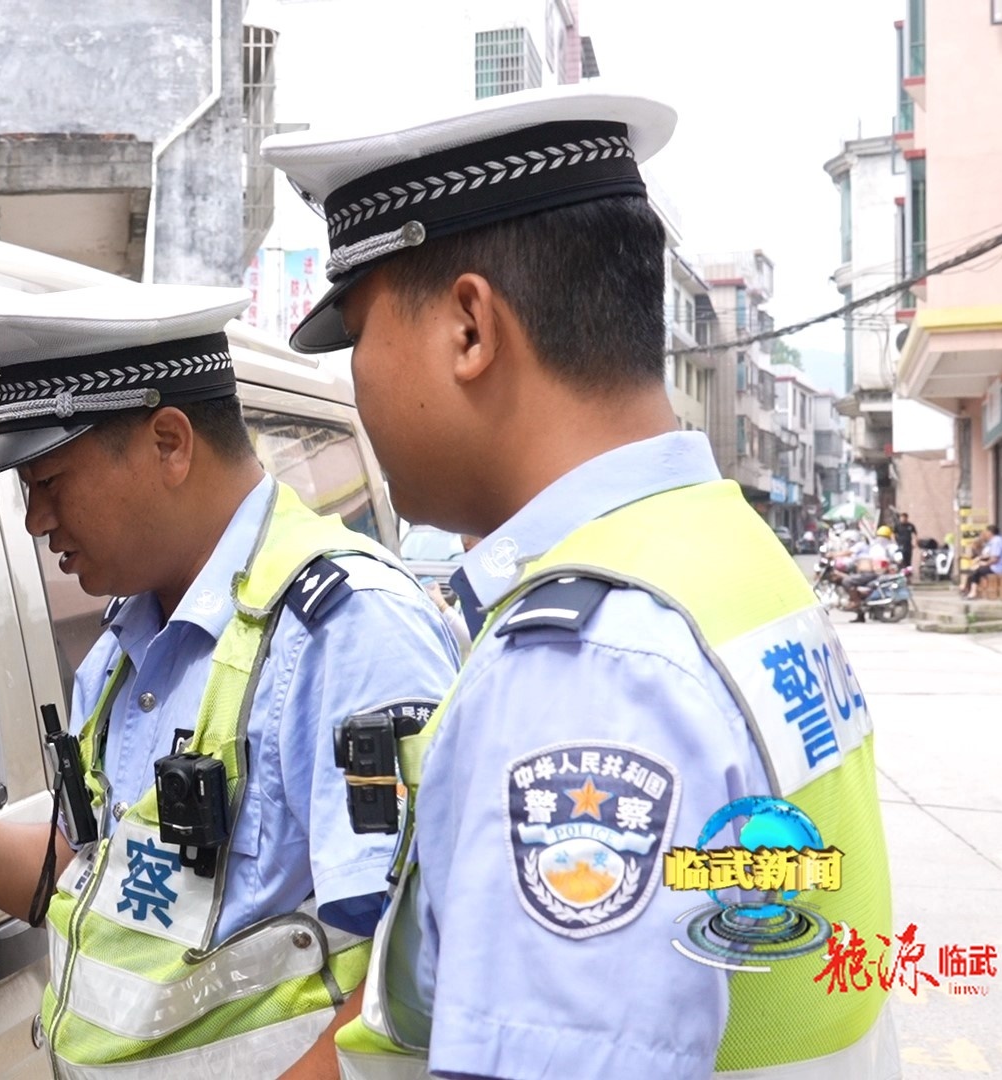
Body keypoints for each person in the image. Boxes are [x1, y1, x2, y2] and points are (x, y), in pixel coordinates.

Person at [264, 85, 894, 1078]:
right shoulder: (723, 552)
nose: (359, 382)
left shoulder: (585, 669)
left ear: (469, 329)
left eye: (361, 335)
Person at [0, 284, 461, 1078]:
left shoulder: (345, 630)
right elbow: (92, 877)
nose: (37, 521)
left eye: (50, 482)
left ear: (169, 443)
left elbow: (419, 967)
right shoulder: (124, 648)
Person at [963, 524, 1002, 599]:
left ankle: (973, 593)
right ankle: (968, 591)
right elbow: (991, 555)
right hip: (998, 566)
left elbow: (995, 559)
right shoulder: (996, 541)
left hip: (999, 568)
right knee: (974, 569)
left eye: (986, 532)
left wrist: (985, 563)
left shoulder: (996, 541)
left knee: (976, 571)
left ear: (990, 532)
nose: (985, 534)